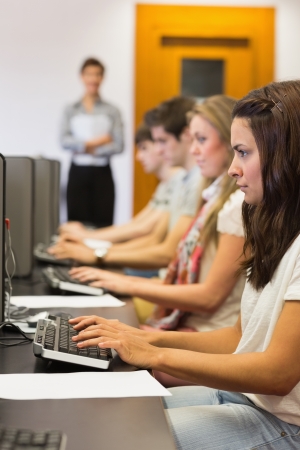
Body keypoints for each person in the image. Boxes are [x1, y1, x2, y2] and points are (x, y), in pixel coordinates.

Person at [69, 80, 300, 449]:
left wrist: (154, 353)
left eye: (243, 153)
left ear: (287, 155)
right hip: (256, 401)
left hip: (284, 419)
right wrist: (142, 337)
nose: (232, 170)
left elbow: (277, 374)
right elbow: (239, 337)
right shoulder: (271, 226)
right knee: (103, 409)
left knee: (120, 438)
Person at [69, 95, 245, 338]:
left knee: (103, 327)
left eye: (201, 140)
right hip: (188, 312)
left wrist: (101, 258)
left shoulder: (232, 203)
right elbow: (145, 230)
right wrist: (95, 249)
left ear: (229, 143)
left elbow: (165, 252)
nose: (194, 150)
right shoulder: (210, 194)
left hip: (203, 324)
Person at [50, 97, 202, 270]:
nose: (159, 150)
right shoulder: (183, 180)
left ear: (185, 135)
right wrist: (91, 243)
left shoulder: (192, 182)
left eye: (161, 141)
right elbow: (144, 231)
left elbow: (155, 241)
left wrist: (95, 250)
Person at [59, 123, 184, 244]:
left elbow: (142, 229)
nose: (138, 157)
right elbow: (136, 224)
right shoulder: (164, 185)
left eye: (144, 148)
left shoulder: (179, 180)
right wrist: (88, 236)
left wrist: (87, 238)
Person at [61, 57, 124, 228]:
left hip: (102, 173)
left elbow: (119, 145)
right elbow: (64, 141)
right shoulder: (71, 109)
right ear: (82, 76)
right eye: (89, 74)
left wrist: (85, 148)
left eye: (97, 74)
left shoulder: (112, 110)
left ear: (102, 78)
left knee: (103, 223)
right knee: (76, 223)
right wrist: (100, 141)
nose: (93, 79)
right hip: (77, 173)